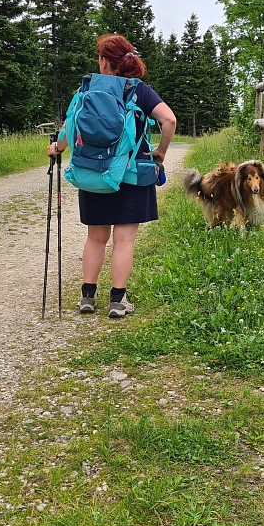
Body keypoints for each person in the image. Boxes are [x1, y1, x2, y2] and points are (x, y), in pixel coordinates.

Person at [48, 33, 177, 318]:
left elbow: (71, 123)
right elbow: (169, 119)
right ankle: (118, 301)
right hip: (131, 174)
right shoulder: (139, 89)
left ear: (104, 61)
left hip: (93, 173)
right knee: (124, 240)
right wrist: (160, 152)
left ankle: (87, 297)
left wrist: (57, 148)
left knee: (96, 238)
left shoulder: (87, 87)